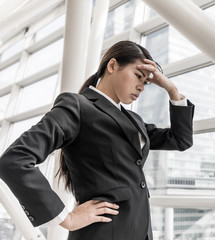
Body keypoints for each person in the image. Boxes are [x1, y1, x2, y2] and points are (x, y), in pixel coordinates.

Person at [0, 40, 194, 240]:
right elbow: (15, 159)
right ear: (112, 66)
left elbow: (181, 140)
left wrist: (171, 89)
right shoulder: (77, 106)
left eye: (145, 82)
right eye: (138, 76)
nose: (141, 87)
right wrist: (67, 218)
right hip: (100, 233)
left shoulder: (134, 121)